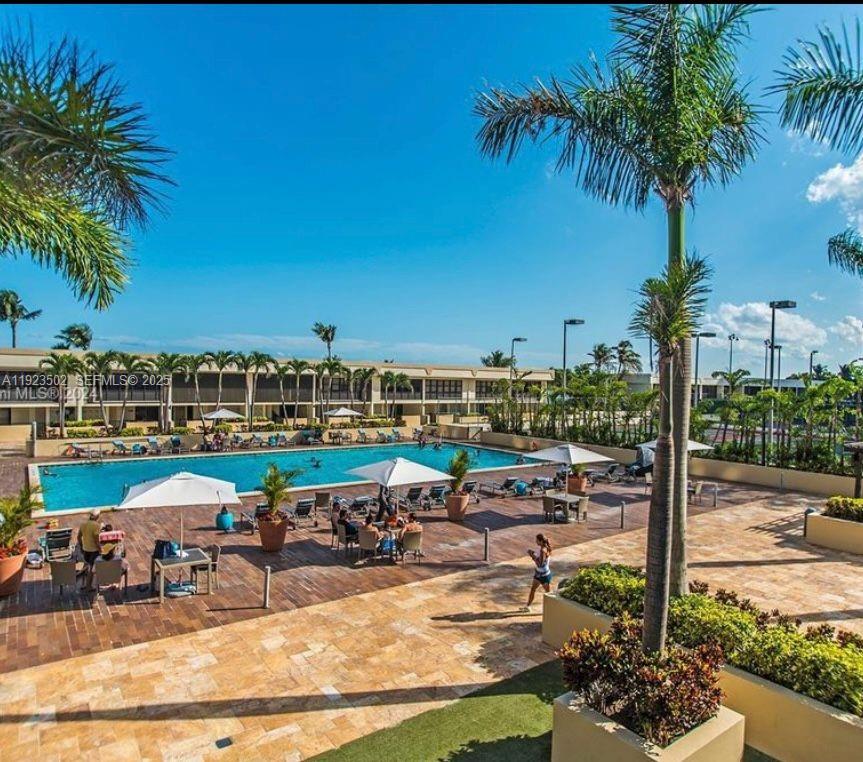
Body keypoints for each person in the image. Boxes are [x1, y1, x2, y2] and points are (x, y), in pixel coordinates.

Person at [522, 534, 553, 612]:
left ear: (541, 541)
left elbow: (540, 564)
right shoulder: (544, 548)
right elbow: (541, 559)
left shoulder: (543, 550)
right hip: (538, 574)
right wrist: (533, 553)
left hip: (544, 575)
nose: (536, 541)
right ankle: (528, 606)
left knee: (549, 594)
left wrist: (532, 556)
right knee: (533, 589)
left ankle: (552, 609)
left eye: (537, 540)